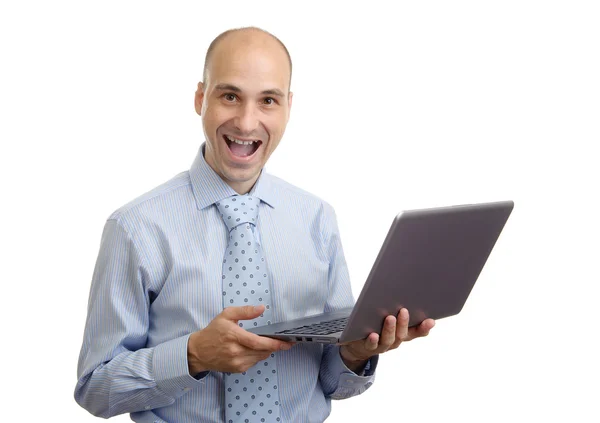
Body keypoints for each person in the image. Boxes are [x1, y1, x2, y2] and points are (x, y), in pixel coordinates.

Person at [75, 26, 435, 423]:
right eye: (230, 96)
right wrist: (192, 355)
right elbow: (96, 390)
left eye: (268, 100)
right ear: (200, 98)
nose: (247, 123)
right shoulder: (136, 227)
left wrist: (357, 352)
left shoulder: (317, 218)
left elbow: (335, 383)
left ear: (288, 107)